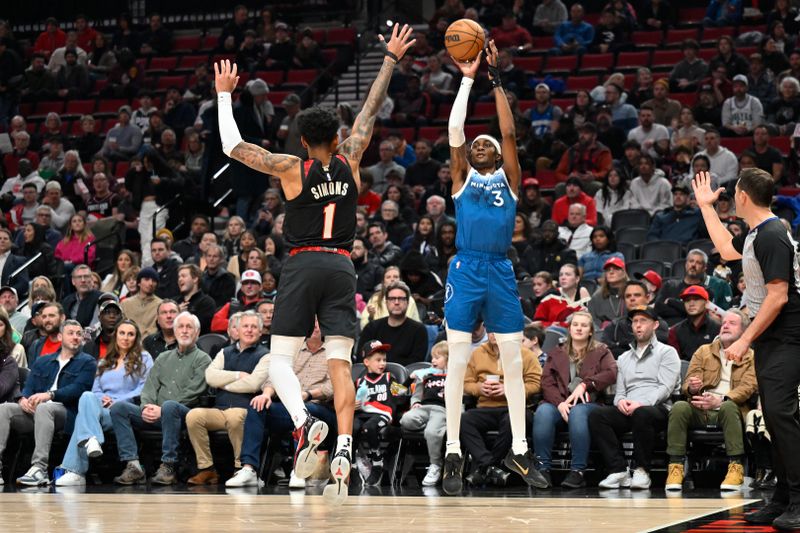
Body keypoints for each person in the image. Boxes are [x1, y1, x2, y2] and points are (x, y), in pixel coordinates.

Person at [214, 25, 416, 503]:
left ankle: (307, 426)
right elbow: (368, 110)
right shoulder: (351, 155)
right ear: (337, 136)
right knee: (341, 365)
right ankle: (344, 445)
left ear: (304, 140)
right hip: (343, 267)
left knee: (279, 360)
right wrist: (389, 58)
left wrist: (225, 97)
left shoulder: (290, 167)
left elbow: (233, 148)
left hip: (303, 265)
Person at [440, 40, 549, 495]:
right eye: (477, 144)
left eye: (489, 144)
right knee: (457, 360)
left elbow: (508, 132)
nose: (482, 145)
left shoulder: (510, 178)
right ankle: (451, 450)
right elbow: (455, 129)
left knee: (511, 357)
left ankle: (519, 448)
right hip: (466, 268)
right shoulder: (462, 180)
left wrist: (496, 78)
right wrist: (466, 81)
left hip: (501, 270)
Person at [693, 169, 800, 529]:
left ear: (742, 196)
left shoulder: (771, 234)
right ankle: (784, 497)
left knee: (782, 417)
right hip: (775, 336)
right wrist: (707, 207)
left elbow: (778, 296)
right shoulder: (759, 233)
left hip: (789, 335)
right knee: (774, 416)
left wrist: (744, 338)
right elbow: (725, 249)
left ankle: (799, 500)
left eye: (732, 192)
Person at [226, 321, 336, 488]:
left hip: (319, 408)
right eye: (311, 322)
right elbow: (274, 376)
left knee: (302, 410)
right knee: (257, 407)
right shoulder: (293, 351)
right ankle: (249, 469)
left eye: (319, 323)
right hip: (290, 407)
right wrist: (266, 394)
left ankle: (299, 471)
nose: (314, 326)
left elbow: (333, 386)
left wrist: (306, 395)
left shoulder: (333, 353)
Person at [110, 312, 211, 486]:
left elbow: (193, 392)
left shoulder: (203, 359)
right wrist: (146, 407)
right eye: (181, 326)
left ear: (197, 333)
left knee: (171, 406)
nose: (185, 331)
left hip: (184, 415)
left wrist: (162, 409)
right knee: (119, 408)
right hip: (155, 413)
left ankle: (168, 466)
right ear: (175, 330)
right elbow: (149, 387)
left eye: (189, 327)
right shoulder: (163, 358)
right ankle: (133, 465)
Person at [665, 309, 758, 493]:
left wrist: (721, 400)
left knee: (728, 406)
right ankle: (675, 467)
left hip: (732, 410)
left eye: (732, 323)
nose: (725, 325)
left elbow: (748, 387)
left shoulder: (751, 356)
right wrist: (692, 387)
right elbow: (687, 384)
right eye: (724, 322)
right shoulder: (704, 351)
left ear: (744, 331)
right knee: (679, 407)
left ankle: (736, 467)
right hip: (702, 407)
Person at [589, 306, 681, 489]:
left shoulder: (667, 352)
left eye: (643, 321)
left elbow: (665, 388)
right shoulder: (623, 357)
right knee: (597, 415)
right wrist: (621, 402)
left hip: (658, 410)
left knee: (642, 413)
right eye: (635, 322)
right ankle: (618, 470)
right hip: (630, 408)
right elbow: (620, 393)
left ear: (655, 325)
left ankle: (641, 470)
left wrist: (640, 403)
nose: (638, 326)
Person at [54, 320, 153, 486]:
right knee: (86, 396)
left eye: (131, 334)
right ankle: (91, 440)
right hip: (101, 409)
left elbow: (144, 388)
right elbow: (95, 389)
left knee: (82, 420)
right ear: (116, 336)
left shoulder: (144, 358)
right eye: (122, 333)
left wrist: (117, 401)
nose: (126, 338)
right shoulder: (105, 360)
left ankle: (76, 469)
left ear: (136, 338)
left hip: (124, 411)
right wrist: (102, 399)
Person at [0, 319, 95, 486]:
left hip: (67, 412)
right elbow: (29, 387)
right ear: (60, 336)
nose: (75, 337)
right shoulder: (43, 361)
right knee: (5, 409)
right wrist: (23, 399)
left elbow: (79, 389)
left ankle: (39, 468)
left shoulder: (87, 362)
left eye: (79, 334)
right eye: (71, 333)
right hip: (37, 411)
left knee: (45, 408)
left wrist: (50, 395)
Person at [534, 311, 617, 488]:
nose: (579, 328)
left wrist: (586, 384)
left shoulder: (601, 351)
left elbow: (611, 373)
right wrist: (560, 403)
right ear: (569, 329)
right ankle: (543, 470)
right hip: (560, 401)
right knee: (543, 412)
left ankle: (578, 471)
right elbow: (547, 383)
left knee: (578, 413)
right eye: (575, 325)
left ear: (590, 331)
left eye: (584, 325)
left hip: (590, 404)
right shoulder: (556, 352)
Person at [186, 311, 269, 485]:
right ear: (237, 330)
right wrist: (238, 375)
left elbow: (253, 384)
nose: (249, 330)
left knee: (235, 416)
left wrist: (223, 383)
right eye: (245, 326)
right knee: (194, 416)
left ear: (261, 332)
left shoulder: (265, 355)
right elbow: (210, 376)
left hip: (246, 409)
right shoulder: (225, 352)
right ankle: (207, 469)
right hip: (220, 409)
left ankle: (242, 468)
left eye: (254, 327)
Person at [461, 332, 542, 486]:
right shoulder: (477, 353)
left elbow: (535, 384)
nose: (493, 333)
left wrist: (508, 389)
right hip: (485, 406)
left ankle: (486, 467)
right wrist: (479, 388)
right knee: (463, 420)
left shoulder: (525, 354)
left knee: (513, 420)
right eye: (490, 330)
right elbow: (466, 382)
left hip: (514, 407)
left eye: (496, 329)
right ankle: (490, 466)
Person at [353, 340, 405, 486]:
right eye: (378, 360)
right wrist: (352, 404)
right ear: (366, 362)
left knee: (369, 427)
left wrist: (407, 384)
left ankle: (377, 461)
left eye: (384, 360)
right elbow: (349, 401)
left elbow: (402, 395)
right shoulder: (359, 382)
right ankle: (353, 465)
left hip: (382, 413)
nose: (382, 363)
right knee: (352, 428)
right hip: (362, 413)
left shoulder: (389, 378)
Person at [400, 341, 448, 486]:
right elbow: (399, 391)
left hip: (441, 409)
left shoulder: (454, 376)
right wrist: (414, 402)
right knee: (406, 420)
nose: (433, 361)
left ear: (448, 359)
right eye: (432, 357)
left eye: (437, 357)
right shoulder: (425, 375)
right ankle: (435, 428)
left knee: (431, 432)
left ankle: (435, 465)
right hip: (424, 408)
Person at [357, 281, 428, 366]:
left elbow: (416, 363)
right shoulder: (371, 328)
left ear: (408, 302)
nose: (397, 302)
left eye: (401, 299)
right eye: (392, 299)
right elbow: (361, 358)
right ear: (386, 302)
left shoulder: (419, 330)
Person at [601, 280, 670, 358]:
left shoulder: (659, 324)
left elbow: (650, 349)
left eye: (637, 295)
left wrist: (620, 344)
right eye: (628, 296)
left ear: (647, 298)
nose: (632, 299)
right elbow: (604, 351)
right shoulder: (614, 325)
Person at [667, 286, 722, 361]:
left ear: (706, 303)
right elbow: (673, 362)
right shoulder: (674, 331)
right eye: (687, 300)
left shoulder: (718, 329)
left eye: (696, 299)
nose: (691, 304)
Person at [120, 267, 163, 336]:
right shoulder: (125, 304)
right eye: (146, 279)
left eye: (154, 281)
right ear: (139, 283)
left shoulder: (161, 305)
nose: (150, 283)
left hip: (150, 344)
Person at [588, 257, 629, 328]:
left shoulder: (631, 292)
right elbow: (592, 318)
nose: (611, 272)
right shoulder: (597, 296)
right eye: (608, 270)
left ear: (623, 272)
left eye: (616, 269)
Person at [176, 264, 216, 335]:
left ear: (195, 279)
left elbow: (201, 326)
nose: (180, 279)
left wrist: (180, 315)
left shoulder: (207, 302)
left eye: (183, 276)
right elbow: (159, 323)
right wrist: (175, 313)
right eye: (179, 277)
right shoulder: (174, 302)